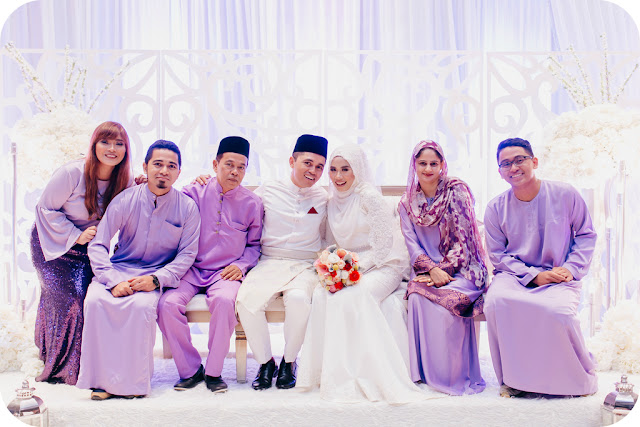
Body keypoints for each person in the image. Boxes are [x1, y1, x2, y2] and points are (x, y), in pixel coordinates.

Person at [296, 143, 426, 404]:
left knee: (352, 296)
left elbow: (383, 246)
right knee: (321, 295)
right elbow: (330, 243)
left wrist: (350, 270)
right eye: (333, 170)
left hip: (384, 265)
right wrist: (333, 267)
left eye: (345, 169)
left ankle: (364, 372)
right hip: (350, 267)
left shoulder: (369, 197)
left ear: (357, 169)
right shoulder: (331, 201)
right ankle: (328, 372)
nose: (338, 176)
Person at [76, 140, 201, 400]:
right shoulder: (125, 199)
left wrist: (156, 279)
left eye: (171, 166)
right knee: (95, 301)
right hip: (119, 269)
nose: (164, 171)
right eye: (158, 164)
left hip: (156, 274)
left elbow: (187, 254)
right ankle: (101, 382)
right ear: (145, 166)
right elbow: (98, 244)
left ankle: (131, 385)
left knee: (141, 307)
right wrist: (111, 281)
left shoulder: (187, 207)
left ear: (179, 172)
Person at [483, 137, 598, 397]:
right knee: (496, 303)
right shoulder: (495, 208)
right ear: (500, 172)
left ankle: (572, 380)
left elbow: (586, 234)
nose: (513, 167)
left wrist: (571, 268)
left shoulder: (565, 194)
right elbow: (498, 255)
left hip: (559, 274)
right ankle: (513, 380)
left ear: (534, 161)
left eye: (519, 160)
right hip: (514, 275)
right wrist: (534, 276)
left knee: (558, 312)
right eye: (506, 164)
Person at [157, 136, 263, 393]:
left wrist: (242, 265)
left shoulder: (253, 203)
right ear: (215, 165)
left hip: (225, 272)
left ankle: (214, 372)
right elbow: (168, 204)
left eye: (241, 167)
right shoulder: (194, 192)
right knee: (166, 304)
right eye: (229, 164)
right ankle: (190, 370)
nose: (235, 171)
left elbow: (255, 246)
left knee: (225, 302)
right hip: (191, 268)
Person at [30, 121, 132, 385]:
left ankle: (87, 363)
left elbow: (147, 196)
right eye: (105, 142)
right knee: (71, 300)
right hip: (53, 245)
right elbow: (44, 209)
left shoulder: (125, 180)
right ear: (94, 145)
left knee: (89, 300)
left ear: (126, 149)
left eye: (119, 143)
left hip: (88, 251)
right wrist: (75, 235)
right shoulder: (71, 173)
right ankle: (63, 368)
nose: (112, 149)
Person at [235, 134, 328, 391]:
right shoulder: (269, 189)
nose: (313, 171)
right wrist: (204, 181)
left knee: (298, 300)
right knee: (246, 302)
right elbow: (238, 202)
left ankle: (289, 362)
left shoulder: (323, 197)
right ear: (291, 161)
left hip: (304, 265)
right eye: (307, 163)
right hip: (269, 261)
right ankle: (266, 363)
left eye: (319, 167)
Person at [398, 140, 487, 396]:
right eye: (422, 163)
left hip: (463, 270)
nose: (428, 169)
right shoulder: (407, 203)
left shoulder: (456, 191)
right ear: (414, 165)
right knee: (417, 297)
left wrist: (444, 271)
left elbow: (464, 239)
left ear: (442, 165)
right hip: (427, 272)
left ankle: (453, 374)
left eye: (433, 163)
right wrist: (431, 270)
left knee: (447, 306)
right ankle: (425, 374)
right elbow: (412, 244)